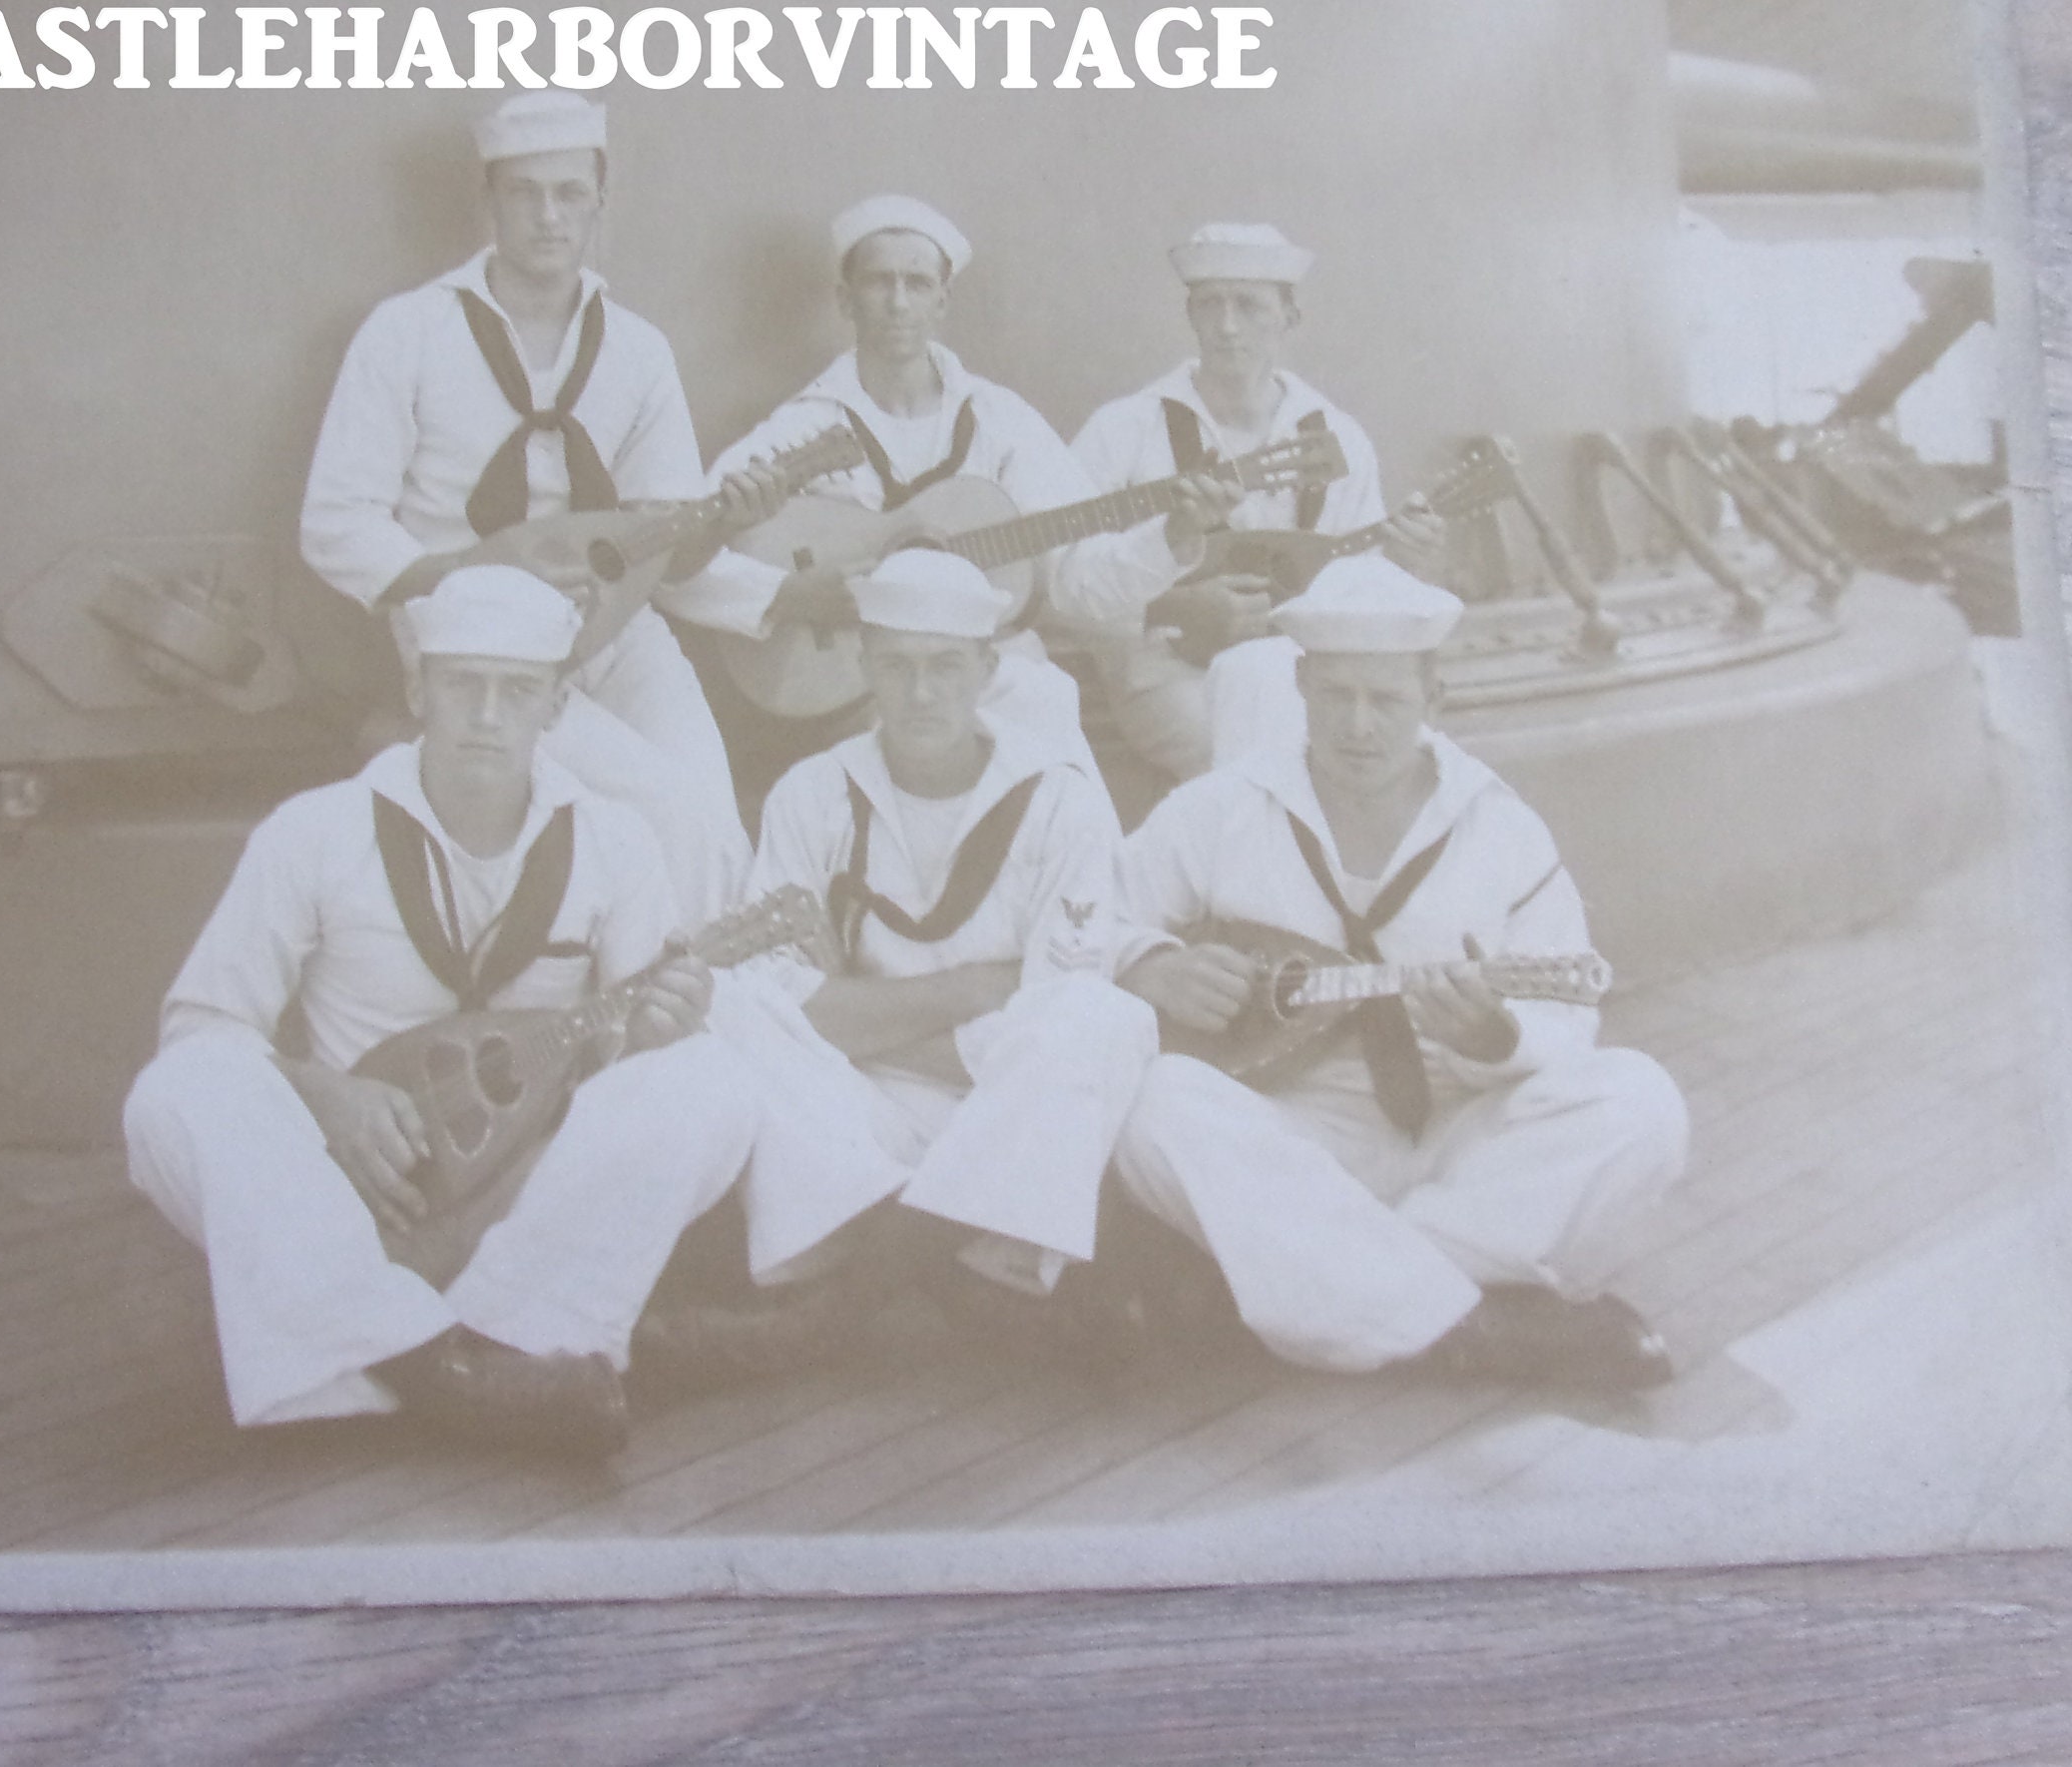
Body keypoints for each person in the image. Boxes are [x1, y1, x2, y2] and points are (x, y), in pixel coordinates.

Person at [120, 567, 881, 1461]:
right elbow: (204, 1024)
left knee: (705, 1080)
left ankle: (488, 1338)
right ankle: (458, 1376)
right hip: (350, 1188)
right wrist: (327, 1097)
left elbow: (627, 1072)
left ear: (556, 706)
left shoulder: (615, 840)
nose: (487, 715)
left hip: (524, 1196)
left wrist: (654, 1030)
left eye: (516, 691)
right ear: (418, 691)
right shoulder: (314, 830)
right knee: (178, 1090)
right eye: (461, 685)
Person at [1107, 556, 1689, 1390]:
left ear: (1435, 701)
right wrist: (1153, 965)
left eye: (1388, 700)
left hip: (1456, 1129)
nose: (1358, 726)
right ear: (1300, 685)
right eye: (1335, 695)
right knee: (1155, 1106)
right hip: (1292, 1133)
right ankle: (1476, 1326)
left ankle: (1318, 1279)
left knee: (1640, 1101)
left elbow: (1572, 1024)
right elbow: (1090, 921)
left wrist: (1497, 1035)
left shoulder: (1501, 829)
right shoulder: (1222, 808)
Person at [299, 89, 780, 917]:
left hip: (617, 628)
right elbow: (335, 523)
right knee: (666, 818)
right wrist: (479, 575)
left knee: (712, 827)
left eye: (568, 194)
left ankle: (706, 1024)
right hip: (477, 645)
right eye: (523, 193)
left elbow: (667, 539)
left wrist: (726, 522)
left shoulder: (637, 348)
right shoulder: (406, 332)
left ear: (600, 200)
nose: (547, 217)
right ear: (488, 202)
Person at [695, 549, 1166, 1344]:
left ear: (986, 669)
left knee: (1102, 1017)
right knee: (727, 1003)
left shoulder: (1059, 801)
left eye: (945, 667)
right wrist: (968, 993)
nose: (921, 693)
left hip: (1012, 1109)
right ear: (864, 667)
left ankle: (852, 1297)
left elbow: (1056, 1013)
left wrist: (856, 1019)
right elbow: (773, 996)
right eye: (898, 666)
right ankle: (960, 1264)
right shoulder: (812, 794)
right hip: (865, 1110)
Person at [688, 194, 1235, 780]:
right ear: (846, 300)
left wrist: (1173, 535)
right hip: (869, 687)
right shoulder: (803, 427)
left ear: (941, 300)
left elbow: (1079, 580)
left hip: (995, 670)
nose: (898, 302)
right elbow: (678, 561)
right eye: (878, 282)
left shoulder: (1000, 420)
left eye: (917, 284)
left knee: (1045, 726)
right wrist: (786, 597)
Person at [1064, 222, 1445, 785]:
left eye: (1249, 306)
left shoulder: (1335, 436)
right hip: (1169, 673)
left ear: (1290, 317)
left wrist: (1402, 567)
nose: (1227, 326)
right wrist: (1170, 607)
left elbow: (1356, 587)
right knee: (1262, 761)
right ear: (1189, 314)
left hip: (1303, 670)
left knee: (1399, 754)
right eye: (1209, 305)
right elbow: (1068, 587)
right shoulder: (1122, 430)